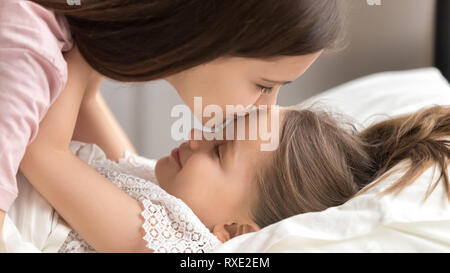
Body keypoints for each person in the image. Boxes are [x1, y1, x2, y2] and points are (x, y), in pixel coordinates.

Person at [18, 64, 450, 251]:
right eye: (215, 133)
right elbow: (87, 104)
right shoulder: (157, 187)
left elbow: (44, 152)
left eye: (220, 150)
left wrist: (78, 41)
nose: (196, 138)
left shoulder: (173, 246)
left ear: (232, 231)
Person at [0, 0, 343, 232]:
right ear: (210, 36)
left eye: (220, 151)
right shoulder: (27, 54)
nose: (263, 108)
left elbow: (111, 158)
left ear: (235, 232)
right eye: (264, 85)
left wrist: (91, 49)